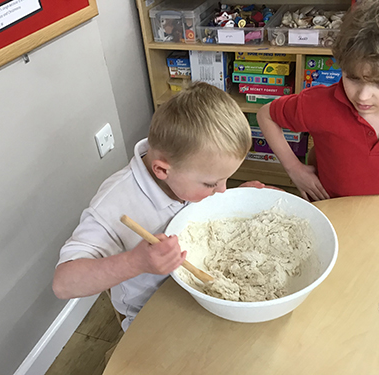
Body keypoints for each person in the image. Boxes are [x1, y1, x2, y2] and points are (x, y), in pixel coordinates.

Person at [52, 82, 268, 331]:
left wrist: (237, 197)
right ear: (162, 170)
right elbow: (63, 283)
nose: (221, 190)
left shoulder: (184, 172)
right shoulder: (116, 202)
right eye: (212, 183)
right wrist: (136, 262)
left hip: (196, 295)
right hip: (150, 313)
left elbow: (200, 210)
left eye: (225, 180)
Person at [257, 0, 379, 201]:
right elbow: (266, 115)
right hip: (330, 208)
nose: (362, 96)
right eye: (353, 77)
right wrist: (294, 169)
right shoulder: (319, 104)